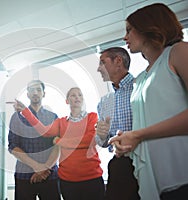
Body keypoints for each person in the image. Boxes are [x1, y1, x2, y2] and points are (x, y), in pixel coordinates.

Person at [109, 3, 188, 200]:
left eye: (129, 30)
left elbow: (143, 131)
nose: (124, 37)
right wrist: (126, 141)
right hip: (154, 181)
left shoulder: (178, 52)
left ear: (149, 26)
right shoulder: (141, 78)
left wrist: (138, 134)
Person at [15, 87, 105, 200]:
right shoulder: (61, 122)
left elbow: (88, 140)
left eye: (80, 95)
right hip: (68, 180)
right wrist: (25, 111)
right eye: (73, 95)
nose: (77, 97)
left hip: (92, 178)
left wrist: (59, 141)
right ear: (67, 101)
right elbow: (44, 131)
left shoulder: (92, 117)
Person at [96, 47, 140, 200]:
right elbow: (102, 142)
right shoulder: (104, 102)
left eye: (102, 62)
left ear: (118, 61)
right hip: (119, 166)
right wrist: (101, 136)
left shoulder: (141, 87)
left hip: (144, 160)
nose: (98, 69)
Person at [8, 80, 61, 200]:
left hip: (49, 174)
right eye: (31, 90)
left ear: (44, 94)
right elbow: (13, 146)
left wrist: (45, 168)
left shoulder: (53, 117)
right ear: (27, 94)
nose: (35, 92)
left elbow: (57, 145)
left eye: (38, 90)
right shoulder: (17, 117)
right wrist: (37, 167)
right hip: (24, 175)